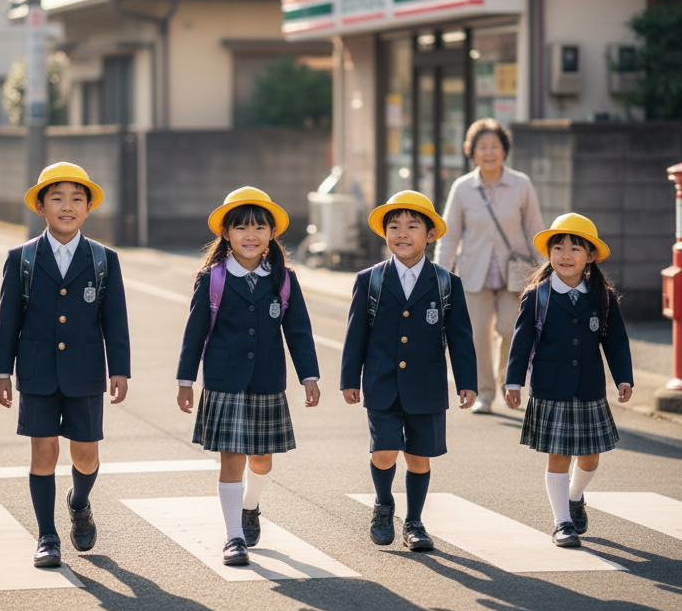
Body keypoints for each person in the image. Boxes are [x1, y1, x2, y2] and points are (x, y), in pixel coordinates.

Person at [0, 162, 130, 568]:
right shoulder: (22, 259)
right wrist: (3, 370)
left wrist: (119, 369)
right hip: (37, 371)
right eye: (57, 198)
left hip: (86, 372)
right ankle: (47, 536)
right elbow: (7, 320)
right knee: (44, 454)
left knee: (85, 455)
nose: (67, 206)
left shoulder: (104, 259)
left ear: (88, 209)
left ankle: (80, 501)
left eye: (76, 199)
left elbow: (115, 320)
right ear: (41, 206)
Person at [176, 187, 320, 567]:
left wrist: (309, 376)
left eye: (259, 227)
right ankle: (233, 537)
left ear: (272, 233)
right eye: (241, 228)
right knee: (232, 460)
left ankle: (250, 506)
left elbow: (299, 331)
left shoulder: (284, 279)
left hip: (268, 379)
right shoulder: (213, 279)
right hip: (224, 380)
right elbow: (195, 333)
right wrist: (185, 380)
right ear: (227, 234)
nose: (251, 235)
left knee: (262, 460)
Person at [340, 191, 477, 552]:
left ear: (430, 235)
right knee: (384, 450)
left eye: (412, 226)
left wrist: (467, 382)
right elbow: (356, 334)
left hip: (427, 386)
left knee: (418, 457)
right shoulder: (369, 280)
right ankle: (384, 505)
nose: (402, 233)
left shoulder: (447, 283)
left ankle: (414, 522)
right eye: (394, 226)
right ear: (385, 233)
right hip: (382, 382)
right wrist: (349, 380)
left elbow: (460, 337)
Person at [503, 213, 633, 547]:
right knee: (558, 456)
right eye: (558, 247)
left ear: (590, 256)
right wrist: (513, 382)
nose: (565, 254)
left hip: (589, 388)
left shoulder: (602, 296)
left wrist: (623, 378)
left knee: (590, 457)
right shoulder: (538, 296)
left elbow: (615, 341)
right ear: (549, 254)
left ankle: (575, 497)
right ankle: (562, 522)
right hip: (550, 386)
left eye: (575, 248)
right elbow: (521, 342)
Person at [435, 118, 544, 414]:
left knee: (510, 329)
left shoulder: (522, 185)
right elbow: (450, 235)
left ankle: (506, 381)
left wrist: (548, 270)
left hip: (516, 273)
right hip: (473, 272)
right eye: (482, 147)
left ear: (504, 150)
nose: (489, 152)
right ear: (472, 151)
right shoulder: (462, 188)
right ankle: (485, 393)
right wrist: (437, 274)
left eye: (494, 146)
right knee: (478, 332)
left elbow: (536, 229)